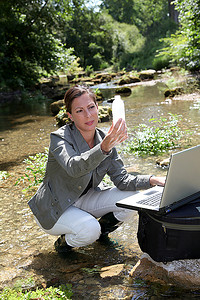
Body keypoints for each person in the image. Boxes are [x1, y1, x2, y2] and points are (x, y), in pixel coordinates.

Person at [28, 85, 165, 253]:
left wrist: (153, 180)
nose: (88, 115)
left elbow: (122, 180)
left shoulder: (103, 138)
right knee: (89, 230)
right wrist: (103, 148)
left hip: (84, 199)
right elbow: (74, 167)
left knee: (133, 200)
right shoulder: (59, 138)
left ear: (97, 108)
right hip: (55, 207)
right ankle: (64, 244)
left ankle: (102, 232)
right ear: (70, 116)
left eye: (91, 107)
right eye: (79, 111)